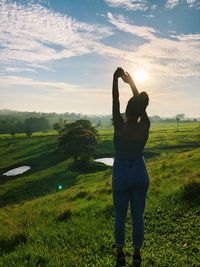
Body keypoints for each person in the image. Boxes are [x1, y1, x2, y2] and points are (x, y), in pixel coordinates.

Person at [112, 67, 150, 266]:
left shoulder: (120, 125)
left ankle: (120, 253)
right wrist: (132, 83)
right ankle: (136, 254)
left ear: (126, 111)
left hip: (121, 173)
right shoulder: (145, 125)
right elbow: (139, 107)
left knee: (120, 215)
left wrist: (116, 79)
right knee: (138, 216)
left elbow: (115, 100)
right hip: (140, 172)